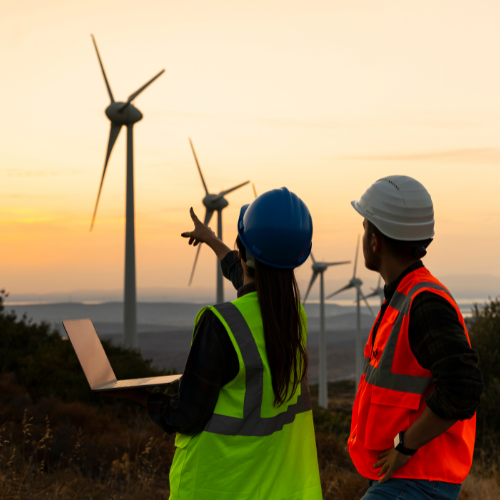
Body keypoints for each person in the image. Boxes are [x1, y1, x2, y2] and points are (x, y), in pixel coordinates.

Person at [101, 187, 323, 500]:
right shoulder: (293, 316)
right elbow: (250, 276)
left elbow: (184, 415)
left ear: (246, 254)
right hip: (279, 488)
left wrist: (135, 394)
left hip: (218, 486)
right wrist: (213, 241)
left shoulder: (222, 324)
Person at [348, 175, 483, 500]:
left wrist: (405, 447)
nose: (363, 235)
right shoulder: (406, 296)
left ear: (376, 240)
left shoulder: (424, 303)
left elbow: (464, 386)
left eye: (365, 226)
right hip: (405, 481)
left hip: (416, 481)